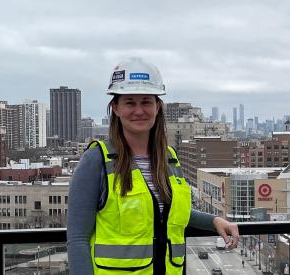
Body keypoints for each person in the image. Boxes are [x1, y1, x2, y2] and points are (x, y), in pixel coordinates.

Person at [67, 57, 240, 274]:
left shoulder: (169, 158)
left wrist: (214, 220)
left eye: (146, 101)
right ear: (116, 108)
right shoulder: (96, 161)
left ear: (158, 107)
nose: (139, 110)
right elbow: (77, 239)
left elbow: (168, 212)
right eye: (130, 102)